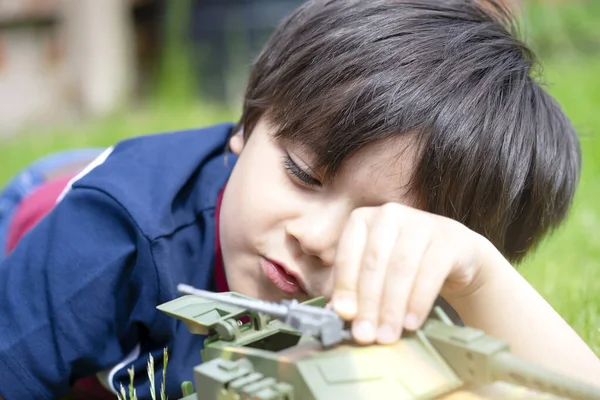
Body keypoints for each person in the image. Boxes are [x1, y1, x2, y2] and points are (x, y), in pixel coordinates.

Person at [0, 0, 599, 399]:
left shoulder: (422, 275)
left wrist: (479, 275)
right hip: (47, 215)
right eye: (304, 175)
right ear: (249, 123)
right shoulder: (110, 241)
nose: (316, 237)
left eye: (380, 225)